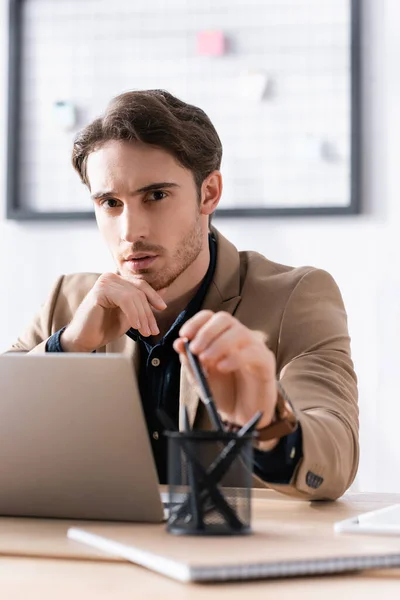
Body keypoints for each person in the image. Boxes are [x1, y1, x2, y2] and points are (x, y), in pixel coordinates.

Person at [8, 90, 358, 500]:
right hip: (89, 555)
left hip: (228, 557)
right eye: (110, 203)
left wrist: (267, 422)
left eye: (155, 196)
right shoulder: (66, 301)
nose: (130, 231)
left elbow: (335, 457)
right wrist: (65, 347)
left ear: (208, 193)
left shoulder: (294, 297)